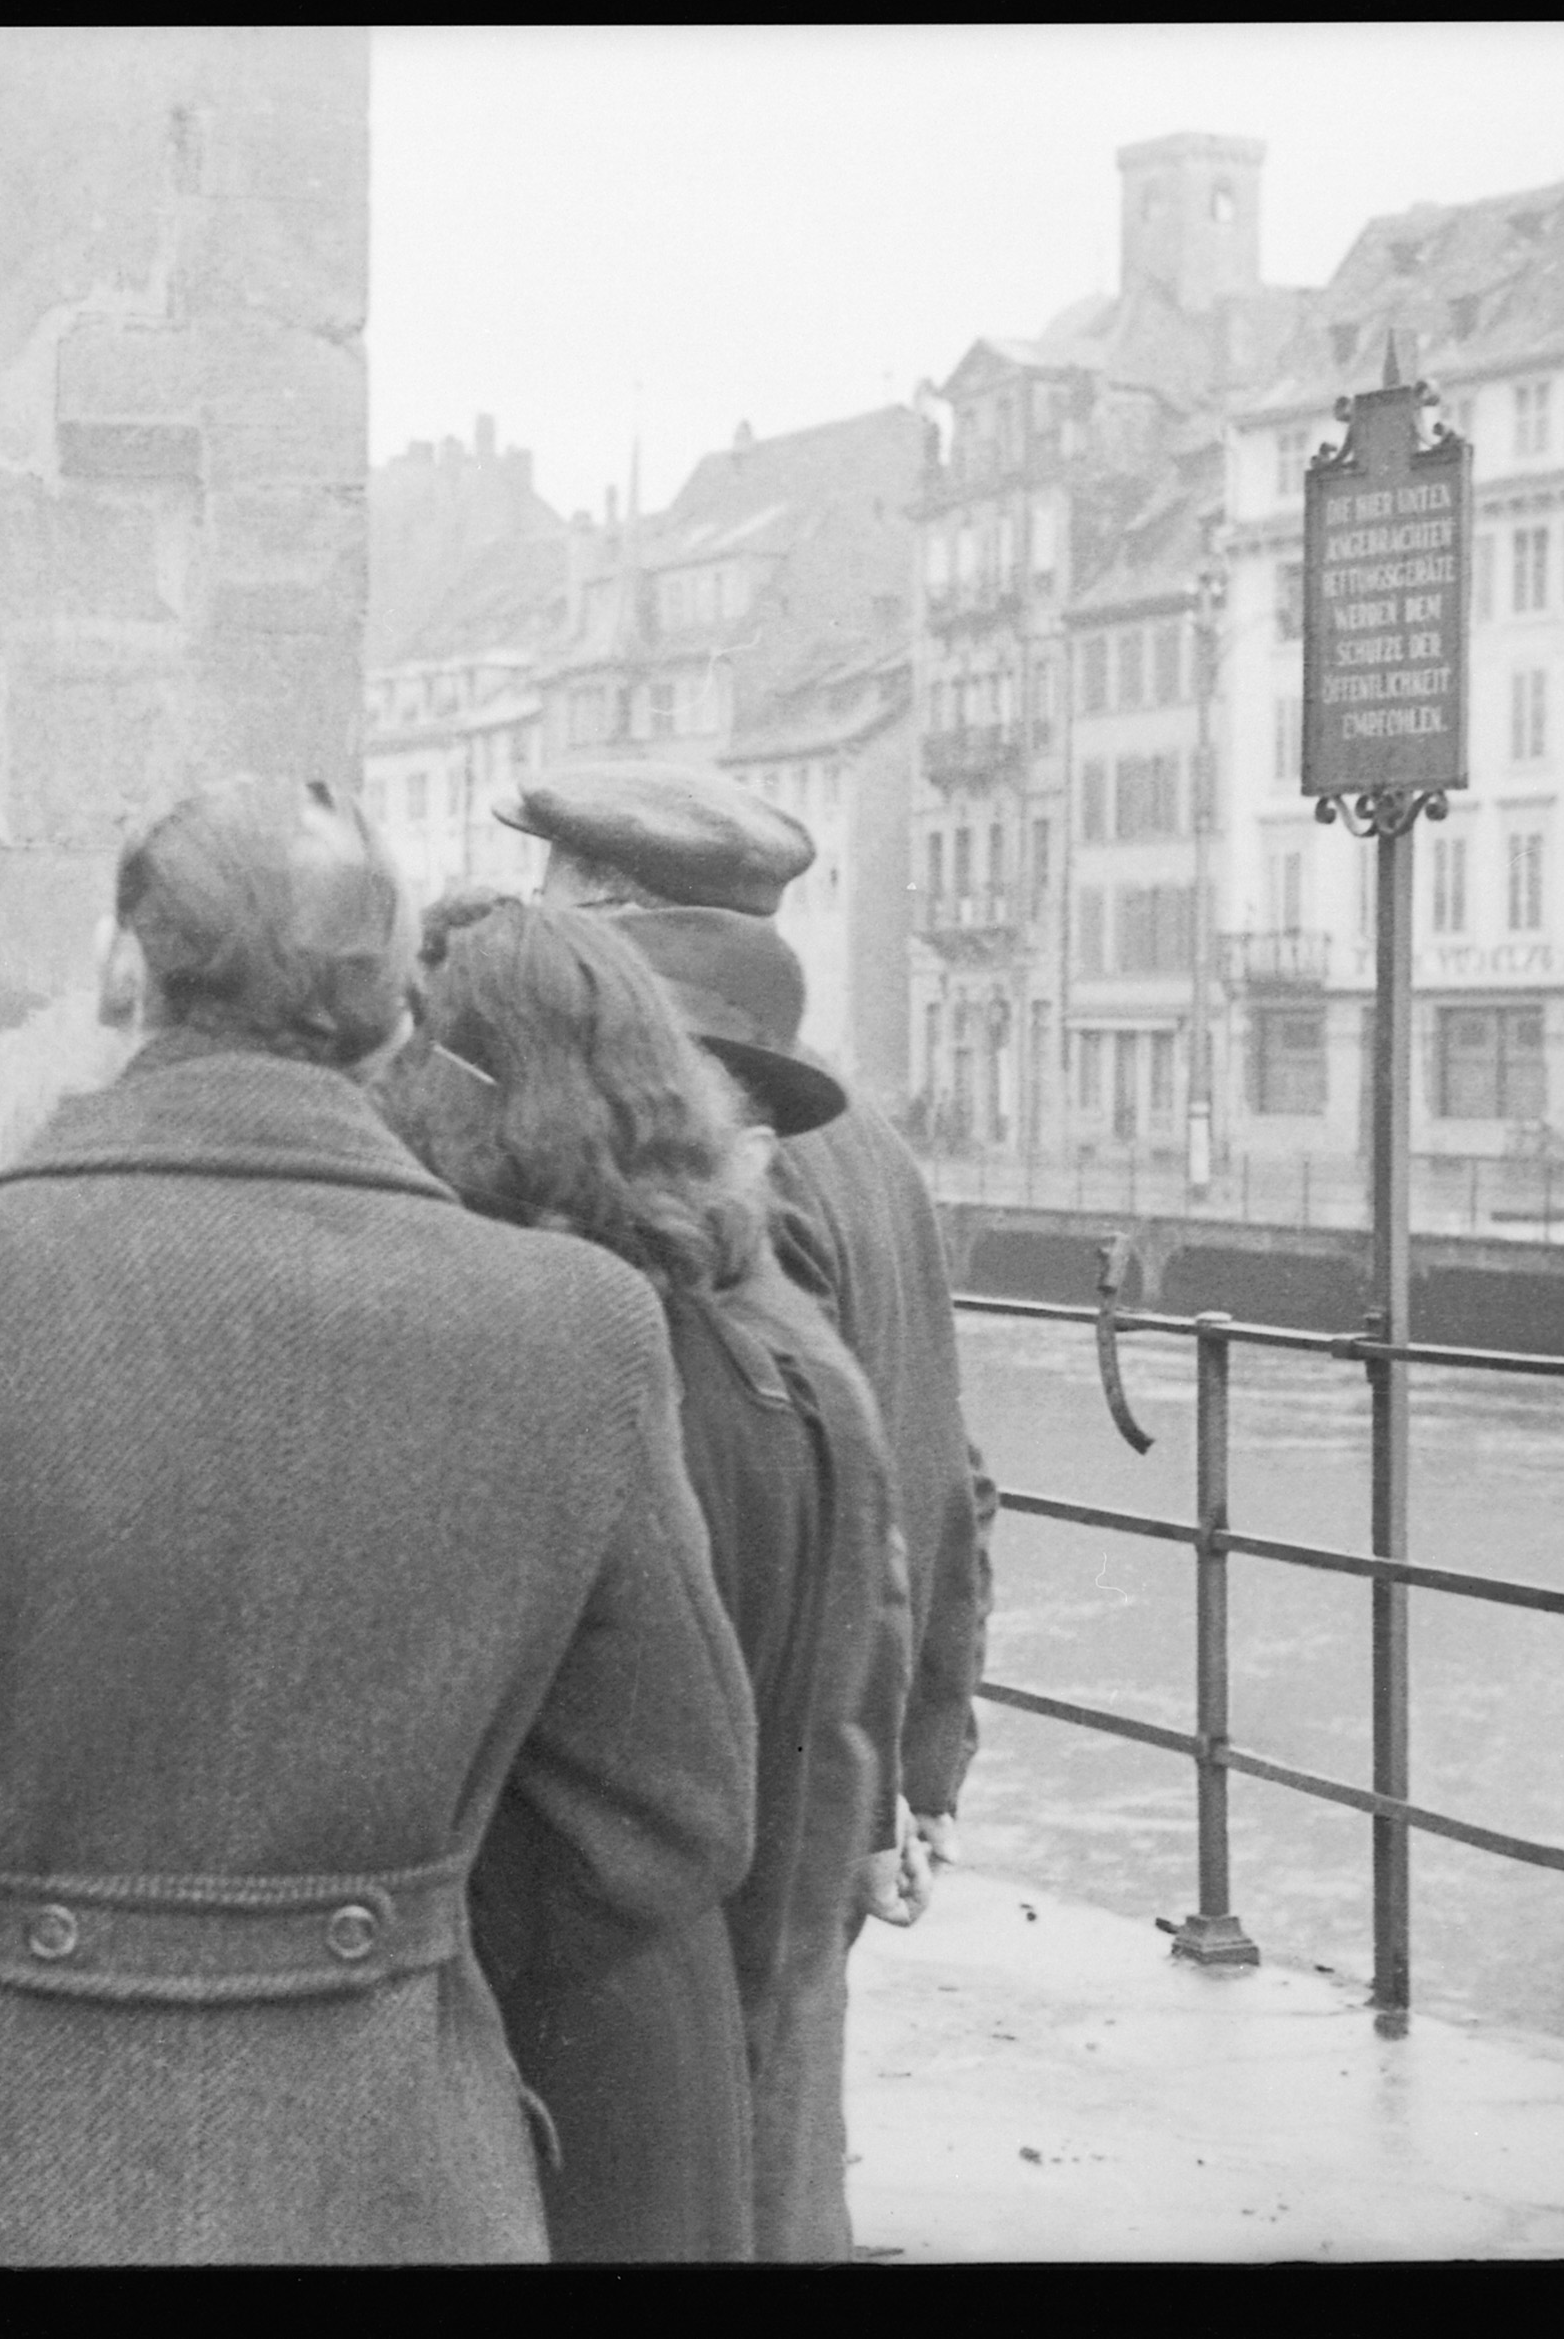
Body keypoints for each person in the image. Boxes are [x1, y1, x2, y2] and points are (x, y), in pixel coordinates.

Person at [0, 778, 758, 2265]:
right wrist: (391, 1949)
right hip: (396, 2183)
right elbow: (671, 1815)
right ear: (399, 1014)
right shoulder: (580, 1328)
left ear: (124, 970)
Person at [374, 895, 912, 2263]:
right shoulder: (775, 1345)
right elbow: (827, 1745)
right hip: (710, 2049)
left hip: (579, 2063)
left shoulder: (595, 1367)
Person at [500, 762, 999, 1898]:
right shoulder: (863, 1134)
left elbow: (819, 1488)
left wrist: (868, 1799)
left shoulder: (692, 1151)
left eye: (551, 893)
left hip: (751, 1775)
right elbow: (944, 1468)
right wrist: (926, 1762)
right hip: (831, 1769)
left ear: (607, 910)